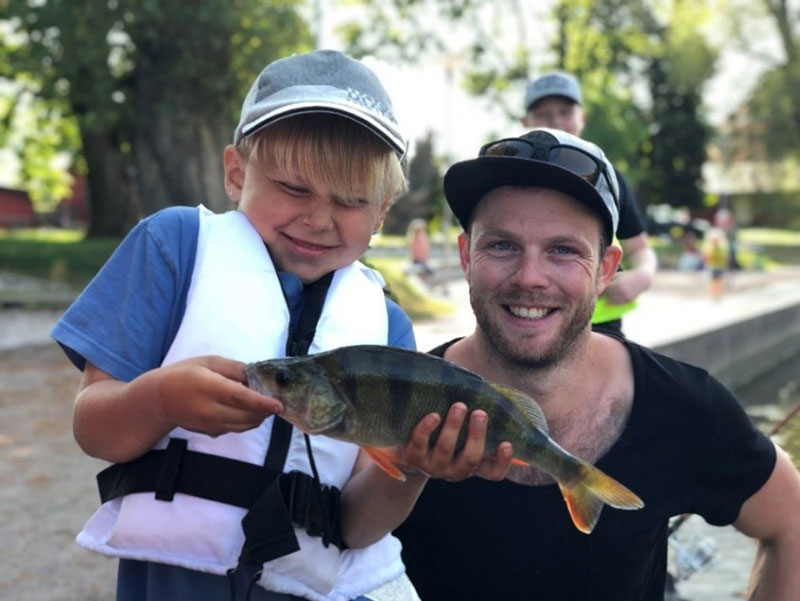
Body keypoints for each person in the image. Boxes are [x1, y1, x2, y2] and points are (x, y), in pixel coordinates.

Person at [51, 49, 501, 601]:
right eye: (294, 187)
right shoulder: (171, 248)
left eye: (351, 200)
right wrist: (161, 401)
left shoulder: (385, 325)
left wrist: (410, 467)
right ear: (236, 174)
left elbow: (356, 527)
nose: (317, 218)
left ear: (382, 211)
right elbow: (92, 429)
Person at [393, 128, 800, 600]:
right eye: (502, 245)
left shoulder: (682, 404)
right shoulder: (398, 400)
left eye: (564, 250)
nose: (530, 277)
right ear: (466, 255)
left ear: (607, 269)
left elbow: (790, 522)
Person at [521, 70, 658, 335]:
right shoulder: (505, 179)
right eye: (543, 114)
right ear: (526, 121)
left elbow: (640, 248)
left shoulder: (609, 178)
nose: (556, 121)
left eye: (565, 111)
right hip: (528, 326)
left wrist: (642, 276)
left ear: (581, 117)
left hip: (600, 331)